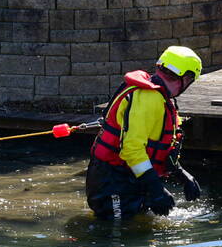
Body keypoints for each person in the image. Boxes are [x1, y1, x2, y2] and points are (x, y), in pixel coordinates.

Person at [85, 45, 204, 220]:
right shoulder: (149, 99)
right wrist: (155, 188)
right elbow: (132, 149)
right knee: (115, 232)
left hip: (131, 176)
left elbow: (160, 144)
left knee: (137, 226)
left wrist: (181, 174)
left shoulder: (160, 97)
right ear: (186, 78)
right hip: (113, 180)